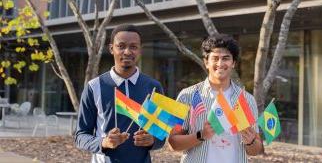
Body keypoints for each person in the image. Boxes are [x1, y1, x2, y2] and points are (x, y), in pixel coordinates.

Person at [75, 24, 165, 163]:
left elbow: (161, 136)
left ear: (140, 50)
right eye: (121, 46)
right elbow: (80, 136)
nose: (127, 52)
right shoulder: (94, 87)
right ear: (111, 48)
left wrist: (152, 140)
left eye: (133, 46)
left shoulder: (153, 87)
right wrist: (104, 142)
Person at [168, 34, 263, 163]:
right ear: (206, 62)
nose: (220, 63)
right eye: (215, 58)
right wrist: (201, 135)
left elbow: (256, 150)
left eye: (226, 58)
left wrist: (250, 141)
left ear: (233, 63)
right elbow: (173, 142)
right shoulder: (187, 95)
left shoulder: (247, 100)